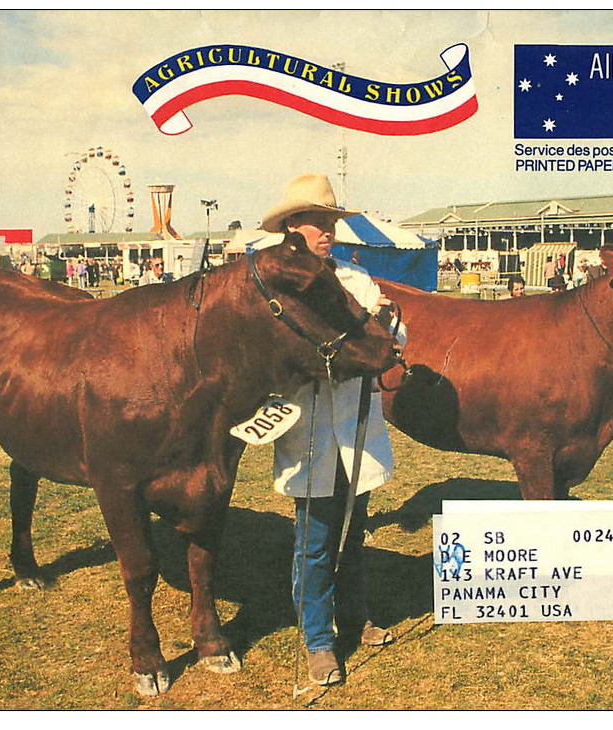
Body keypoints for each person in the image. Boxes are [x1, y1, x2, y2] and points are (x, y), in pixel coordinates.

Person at [261, 173, 400, 687]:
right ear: (291, 228)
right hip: (310, 430)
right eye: (318, 222)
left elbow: (395, 336)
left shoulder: (355, 280)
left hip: (357, 424)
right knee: (315, 540)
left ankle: (356, 618)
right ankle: (319, 639)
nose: (328, 232)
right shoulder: (277, 286)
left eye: (332, 222)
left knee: (354, 533)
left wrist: (384, 322)